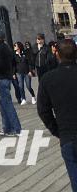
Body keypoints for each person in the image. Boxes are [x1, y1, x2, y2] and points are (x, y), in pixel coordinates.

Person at [36, 37, 77, 190]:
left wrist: (57, 130)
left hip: (68, 136)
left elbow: (43, 110)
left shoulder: (48, 79)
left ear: (57, 54)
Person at [0, 32, 21, 135]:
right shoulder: (7, 47)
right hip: (7, 76)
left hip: (1, 76)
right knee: (2, 102)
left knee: (7, 102)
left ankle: (16, 128)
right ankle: (6, 128)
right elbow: (13, 61)